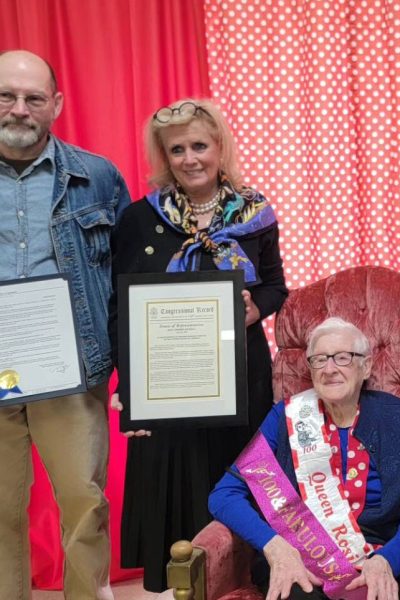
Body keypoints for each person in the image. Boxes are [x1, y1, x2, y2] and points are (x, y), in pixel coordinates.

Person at [108, 98, 288, 591]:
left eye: (199, 146)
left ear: (219, 147)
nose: (190, 158)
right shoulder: (139, 219)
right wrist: (130, 392)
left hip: (239, 379)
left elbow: (276, 285)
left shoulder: (256, 212)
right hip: (167, 386)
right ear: (164, 158)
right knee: (176, 504)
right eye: (177, 149)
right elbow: (121, 308)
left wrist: (258, 307)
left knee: (235, 485)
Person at [0, 50, 131, 599]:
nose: (19, 109)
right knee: (0, 510)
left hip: (73, 372)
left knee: (84, 504)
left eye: (33, 98)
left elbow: (130, 277)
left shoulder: (97, 177)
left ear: (55, 104)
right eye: (6, 96)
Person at [209, 317, 400, 600]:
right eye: (319, 360)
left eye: (342, 358)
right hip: (298, 554)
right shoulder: (285, 417)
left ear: (365, 366)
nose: (329, 369)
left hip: (375, 555)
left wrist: (387, 560)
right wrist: (275, 547)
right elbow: (224, 495)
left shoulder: (399, 418)